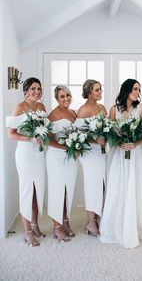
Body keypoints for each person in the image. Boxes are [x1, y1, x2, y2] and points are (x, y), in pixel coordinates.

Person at [100, 78, 142, 248]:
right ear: (126, 90)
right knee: (118, 187)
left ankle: (138, 227)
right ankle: (116, 226)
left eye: (139, 89)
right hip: (119, 154)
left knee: (136, 186)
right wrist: (119, 143)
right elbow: (110, 132)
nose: (137, 92)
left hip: (137, 153)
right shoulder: (113, 109)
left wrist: (134, 144)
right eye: (134, 88)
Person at [6, 77, 46, 247]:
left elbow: (45, 128)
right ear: (26, 91)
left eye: (38, 88)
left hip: (39, 154)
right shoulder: (20, 108)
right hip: (25, 154)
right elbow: (11, 134)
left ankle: (35, 225)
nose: (36, 92)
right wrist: (30, 138)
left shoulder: (42, 107)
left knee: (37, 192)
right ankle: (27, 231)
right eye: (33, 89)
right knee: (27, 192)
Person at [46, 85, 78, 242]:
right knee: (57, 190)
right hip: (56, 157)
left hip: (71, 157)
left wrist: (76, 146)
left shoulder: (73, 112)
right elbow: (47, 140)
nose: (66, 99)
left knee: (68, 190)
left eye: (68, 95)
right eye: (62, 96)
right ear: (57, 99)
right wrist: (66, 147)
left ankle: (66, 222)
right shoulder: (53, 115)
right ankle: (57, 227)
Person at [76, 79, 107, 237]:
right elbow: (79, 136)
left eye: (100, 89)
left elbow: (107, 129)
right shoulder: (83, 110)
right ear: (89, 93)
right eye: (97, 90)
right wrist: (95, 140)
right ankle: (90, 222)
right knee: (92, 186)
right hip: (89, 153)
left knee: (102, 185)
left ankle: (100, 217)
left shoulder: (102, 108)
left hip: (103, 152)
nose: (100, 92)